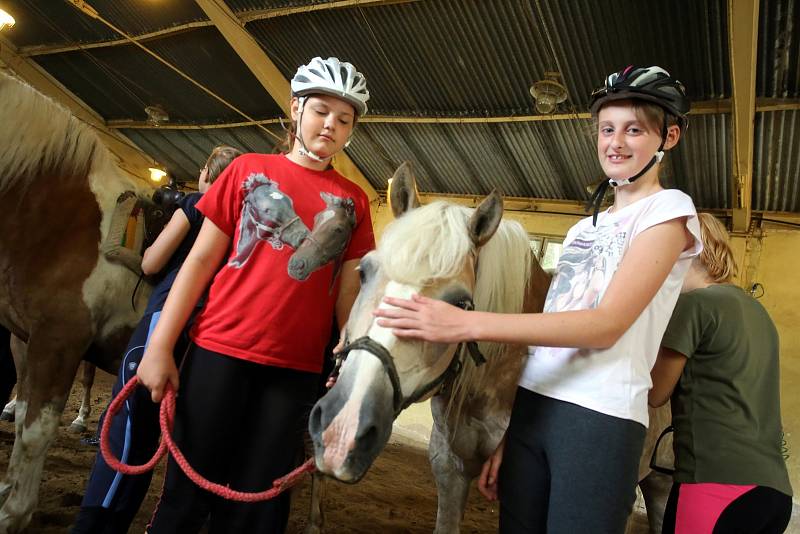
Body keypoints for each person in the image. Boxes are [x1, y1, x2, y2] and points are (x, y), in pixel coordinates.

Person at [374, 65, 703, 533]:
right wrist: (513, 436)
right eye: (607, 129)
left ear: (668, 136)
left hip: (600, 417)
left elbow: (606, 324)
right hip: (533, 411)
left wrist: (467, 324)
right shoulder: (580, 230)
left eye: (634, 130)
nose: (616, 142)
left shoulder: (669, 211)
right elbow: (548, 341)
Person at [136, 57, 374, 533]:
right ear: (296, 110)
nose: (331, 124)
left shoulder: (355, 201)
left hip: (296, 373)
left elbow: (349, 293)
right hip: (218, 354)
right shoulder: (247, 170)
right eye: (321, 110)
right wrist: (160, 345)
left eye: (344, 119)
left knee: (258, 506)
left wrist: (350, 364)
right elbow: (199, 263)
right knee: (187, 493)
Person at [71, 145, 243, 534]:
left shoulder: (196, 204)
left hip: (165, 320)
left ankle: (94, 527)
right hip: (210, 336)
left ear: (205, 174)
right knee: (162, 444)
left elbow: (150, 262)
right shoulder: (243, 220)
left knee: (129, 433)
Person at [649, 213, 792, 534]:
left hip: (715, 486)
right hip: (773, 491)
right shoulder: (756, 311)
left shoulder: (695, 305)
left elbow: (655, 392)